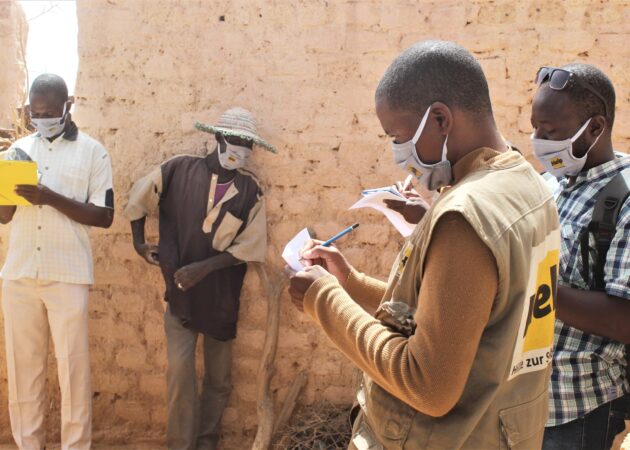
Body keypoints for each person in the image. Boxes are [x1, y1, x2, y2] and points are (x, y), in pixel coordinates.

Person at [288, 40, 561, 449]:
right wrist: (352, 283)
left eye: (398, 136)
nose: (399, 154)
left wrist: (323, 300)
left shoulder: (466, 216)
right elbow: (463, 317)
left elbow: (428, 384)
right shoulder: (527, 186)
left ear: (439, 119)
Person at [123, 107, 271, 450]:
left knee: (219, 380)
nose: (241, 151)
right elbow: (138, 199)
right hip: (180, 295)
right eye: (235, 142)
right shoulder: (178, 169)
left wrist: (203, 269)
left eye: (248, 146)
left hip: (221, 296)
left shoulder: (250, 192)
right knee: (180, 374)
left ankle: (206, 443)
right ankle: (180, 445)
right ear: (218, 138)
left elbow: (250, 248)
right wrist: (138, 243)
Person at [0, 74, 114, 449]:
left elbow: (104, 215)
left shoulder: (92, 152)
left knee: (73, 368)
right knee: (24, 370)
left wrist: (49, 196)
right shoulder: (17, 150)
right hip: (19, 275)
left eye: (50, 112)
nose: (42, 118)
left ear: (69, 105)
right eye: (35, 112)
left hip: (67, 275)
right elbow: (4, 216)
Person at [530, 64, 630, 450]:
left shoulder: (622, 198)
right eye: (535, 126)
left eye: (550, 132)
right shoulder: (550, 181)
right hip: (526, 397)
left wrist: (531, 279)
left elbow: (624, 319)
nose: (538, 140)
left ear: (594, 128)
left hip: (579, 404)